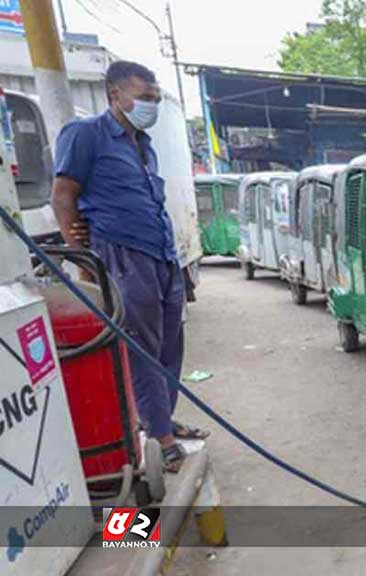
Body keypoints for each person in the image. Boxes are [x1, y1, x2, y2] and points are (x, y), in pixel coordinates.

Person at [51, 61, 207, 473]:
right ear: (115, 95)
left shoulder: (143, 143)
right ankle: (161, 439)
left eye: (154, 98)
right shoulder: (86, 134)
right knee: (142, 347)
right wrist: (81, 256)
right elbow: (64, 194)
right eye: (143, 97)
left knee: (170, 345)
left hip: (162, 254)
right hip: (123, 255)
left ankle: (160, 420)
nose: (150, 105)